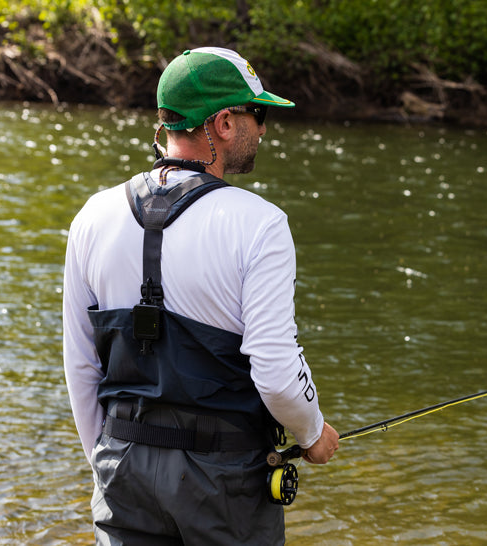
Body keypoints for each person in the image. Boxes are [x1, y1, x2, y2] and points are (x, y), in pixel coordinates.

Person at [62, 46, 339, 545]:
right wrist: (313, 432)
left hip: (120, 464)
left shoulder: (91, 216)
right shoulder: (260, 224)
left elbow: (81, 367)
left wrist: (108, 463)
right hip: (225, 479)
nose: (264, 129)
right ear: (225, 122)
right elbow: (275, 372)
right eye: (258, 115)